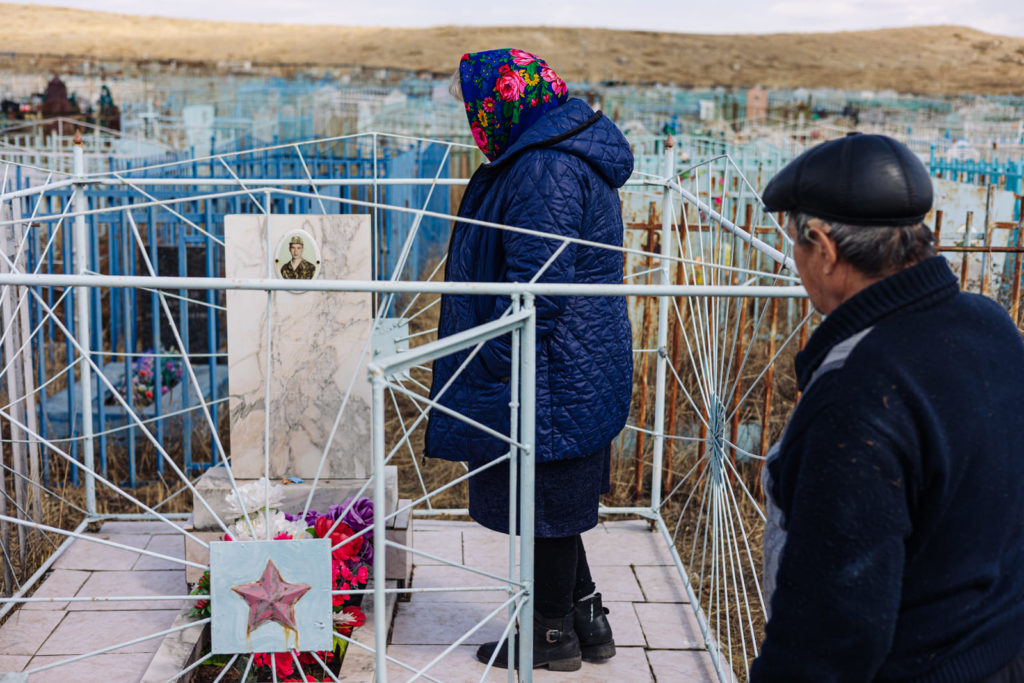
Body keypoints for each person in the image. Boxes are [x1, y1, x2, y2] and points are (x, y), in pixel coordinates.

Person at [751, 133, 1024, 681]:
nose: (796, 264)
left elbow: (830, 632)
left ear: (824, 248)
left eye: (796, 246)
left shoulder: (858, 389)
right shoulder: (991, 325)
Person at [423, 49, 634, 671]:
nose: (475, 122)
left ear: (505, 101)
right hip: (572, 358)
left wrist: (489, 358)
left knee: (543, 499)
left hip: (548, 366)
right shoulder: (555, 153)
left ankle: (549, 635)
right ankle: (585, 618)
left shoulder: (545, 166)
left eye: (477, 108)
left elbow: (535, 290)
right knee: (554, 500)